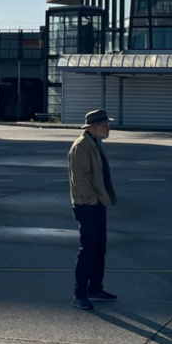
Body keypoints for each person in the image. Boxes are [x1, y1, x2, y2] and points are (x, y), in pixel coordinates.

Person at [68, 109, 118, 310]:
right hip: (87, 205)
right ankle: (80, 294)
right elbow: (80, 181)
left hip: (98, 203)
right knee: (87, 250)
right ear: (93, 127)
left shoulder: (96, 145)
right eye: (106, 125)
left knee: (99, 248)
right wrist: (92, 201)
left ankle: (95, 288)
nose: (109, 128)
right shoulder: (82, 146)